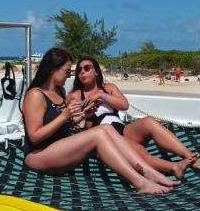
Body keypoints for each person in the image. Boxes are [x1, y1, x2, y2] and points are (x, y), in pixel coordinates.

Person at [23, 48, 177, 194]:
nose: (70, 76)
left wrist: (83, 115)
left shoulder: (60, 91)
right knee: (98, 133)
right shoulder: (36, 95)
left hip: (61, 153)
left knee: (106, 129)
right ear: (52, 69)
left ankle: (147, 172)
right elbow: (34, 136)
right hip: (39, 156)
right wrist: (64, 115)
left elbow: (65, 126)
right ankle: (140, 183)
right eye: (67, 71)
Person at [70, 56, 200, 179]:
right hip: (104, 140)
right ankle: (174, 168)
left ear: (97, 72)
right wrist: (85, 112)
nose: (82, 72)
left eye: (87, 68)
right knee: (138, 150)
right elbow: (72, 122)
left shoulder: (108, 88)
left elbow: (124, 105)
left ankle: (189, 156)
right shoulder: (75, 96)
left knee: (149, 121)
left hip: (122, 130)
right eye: (79, 70)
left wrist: (101, 95)